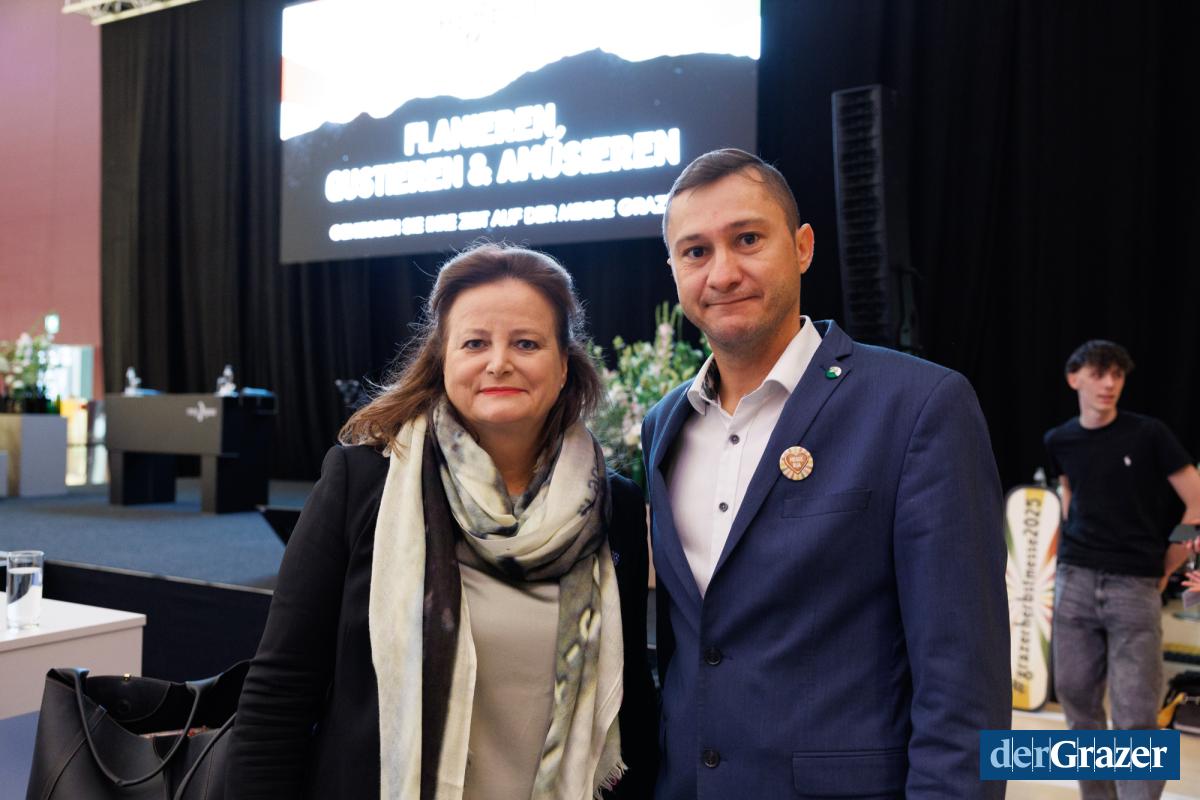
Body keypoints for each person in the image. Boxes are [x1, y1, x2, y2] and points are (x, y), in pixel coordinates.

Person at [226, 243, 657, 799]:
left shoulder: (613, 505)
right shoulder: (363, 483)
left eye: (526, 343)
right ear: (443, 359)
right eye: (475, 343)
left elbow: (633, 700)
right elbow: (280, 690)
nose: (498, 362)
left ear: (564, 365)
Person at [642, 147, 1009, 798]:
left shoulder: (917, 406)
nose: (723, 272)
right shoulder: (664, 425)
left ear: (803, 246)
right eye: (695, 251)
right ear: (673, 270)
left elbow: (962, 680)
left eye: (748, 239)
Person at [1044, 340, 1200, 800]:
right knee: (1076, 699)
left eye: (1117, 374)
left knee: (1135, 713)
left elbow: (1196, 500)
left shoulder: (1149, 435)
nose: (1109, 383)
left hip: (1134, 584)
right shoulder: (1059, 440)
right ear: (1074, 378)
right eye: (1099, 373)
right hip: (1075, 580)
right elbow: (1070, 494)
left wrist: (1169, 562)